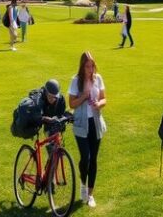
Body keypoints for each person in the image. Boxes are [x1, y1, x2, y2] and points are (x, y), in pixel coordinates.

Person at [68, 51, 107, 208]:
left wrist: (99, 104)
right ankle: (83, 183)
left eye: (92, 66)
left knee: (93, 159)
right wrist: (84, 96)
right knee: (86, 158)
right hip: (81, 123)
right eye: (87, 66)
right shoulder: (76, 81)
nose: (91, 70)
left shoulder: (98, 79)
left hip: (95, 123)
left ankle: (90, 194)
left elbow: (104, 98)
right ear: (82, 66)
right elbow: (71, 104)